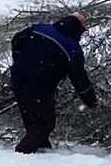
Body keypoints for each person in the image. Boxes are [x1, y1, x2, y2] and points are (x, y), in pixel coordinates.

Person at [10, 12, 97, 153]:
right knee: (45, 124)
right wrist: (91, 101)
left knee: (32, 121)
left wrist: (20, 61)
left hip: (18, 78)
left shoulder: (39, 28)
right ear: (78, 29)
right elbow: (79, 79)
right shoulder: (72, 48)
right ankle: (22, 154)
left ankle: (42, 153)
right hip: (40, 86)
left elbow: (16, 40)